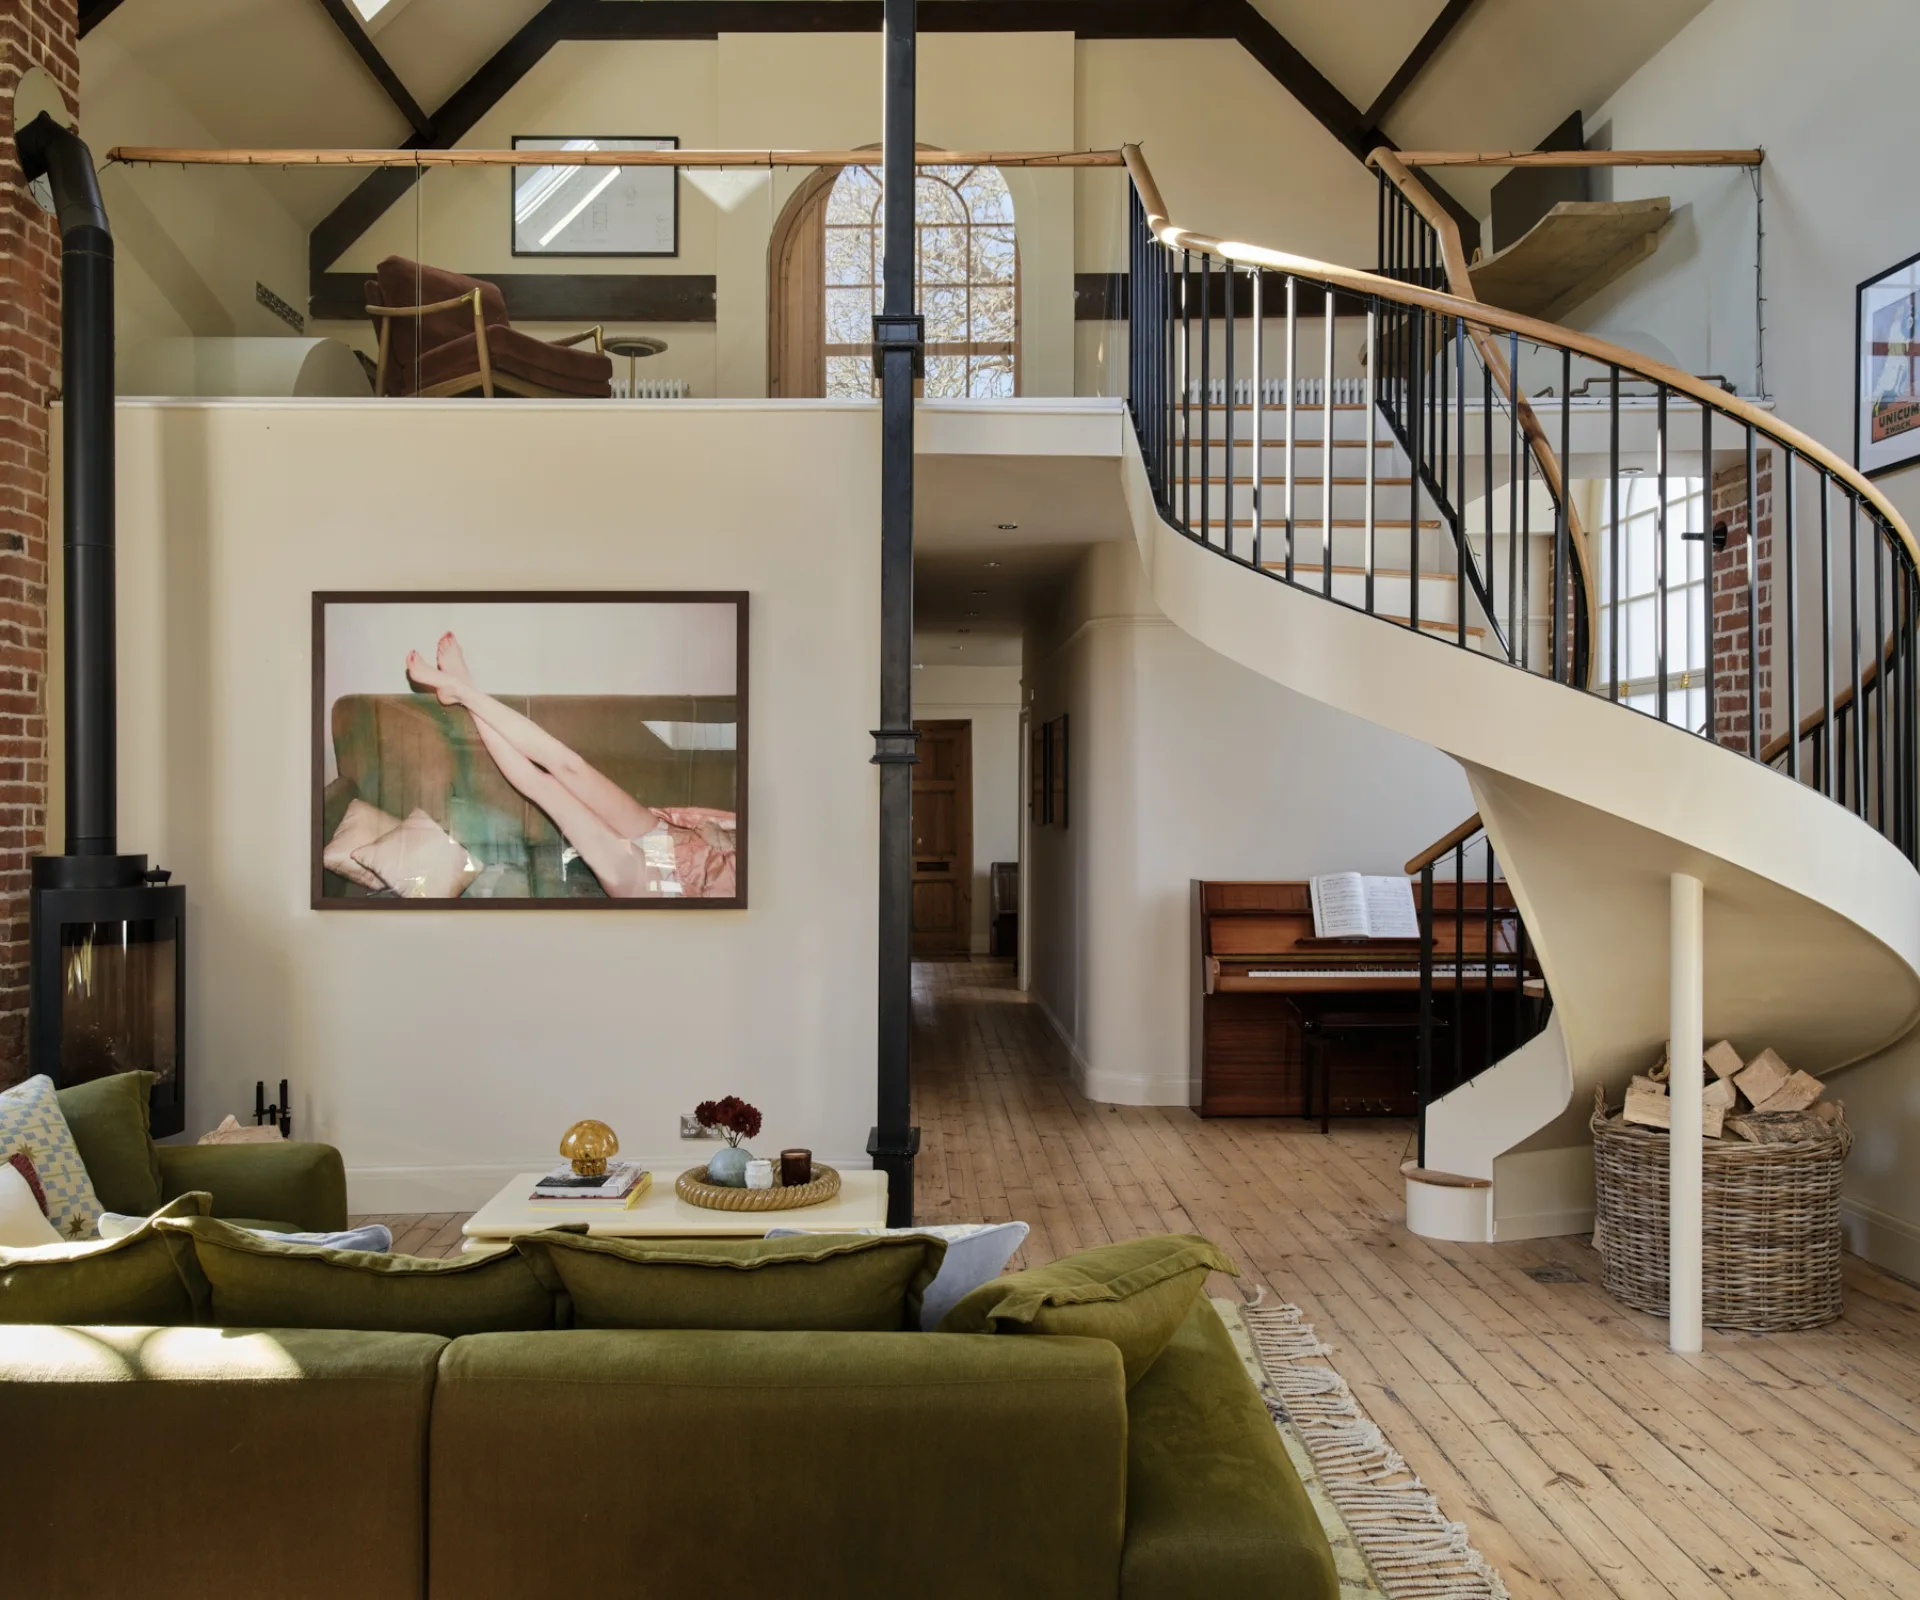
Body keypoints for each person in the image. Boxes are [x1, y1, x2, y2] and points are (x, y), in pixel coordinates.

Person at [405, 632, 736, 899]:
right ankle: (463, 688)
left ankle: (462, 688)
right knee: (570, 765)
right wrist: (721, 833)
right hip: (678, 839)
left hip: (668, 889)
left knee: (549, 791)